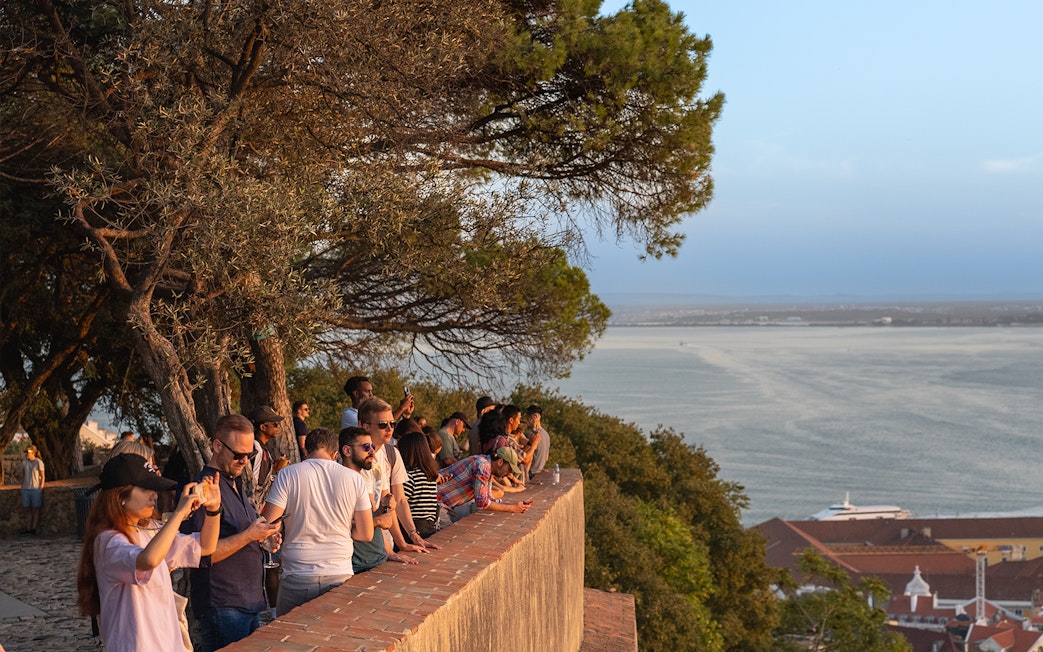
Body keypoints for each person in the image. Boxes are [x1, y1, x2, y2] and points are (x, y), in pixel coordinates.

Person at [77, 453, 222, 652]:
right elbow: (148, 560)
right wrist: (179, 514)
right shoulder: (108, 542)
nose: (154, 495)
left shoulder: (150, 529)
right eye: (146, 489)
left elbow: (205, 547)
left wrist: (214, 510)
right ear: (121, 496)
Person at [182, 415, 281, 651]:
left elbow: (241, 534)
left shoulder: (233, 482)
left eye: (249, 455)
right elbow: (199, 554)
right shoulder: (205, 489)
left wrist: (263, 540)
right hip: (223, 604)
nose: (244, 461)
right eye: (238, 455)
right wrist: (249, 535)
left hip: (249, 601)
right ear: (217, 446)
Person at [260, 428, 374, 616]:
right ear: (334, 453)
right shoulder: (355, 479)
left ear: (306, 451)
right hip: (339, 571)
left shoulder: (288, 474)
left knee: (289, 637)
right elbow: (366, 534)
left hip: (298, 572)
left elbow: (269, 523)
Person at [358, 400, 438, 552]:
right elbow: (371, 510)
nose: (389, 429)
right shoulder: (357, 458)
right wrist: (389, 551)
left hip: (384, 541)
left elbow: (398, 501)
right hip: (366, 545)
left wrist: (411, 537)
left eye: (392, 424)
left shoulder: (391, 453)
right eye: (382, 424)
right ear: (365, 426)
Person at [338, 427, 416, 572]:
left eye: (372, 446)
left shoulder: (362, 477)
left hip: (377, 561)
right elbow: (341, 524)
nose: (372, 452)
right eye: (366, 447)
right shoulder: (341, 481)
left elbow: (366, 517)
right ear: (347, 451)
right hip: (359, 567)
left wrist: (383, 509)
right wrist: (379, 520)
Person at [438, 447, 531, 518]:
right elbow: (482, 503)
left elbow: (488, 498)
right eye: (509, 469)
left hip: (440, 504)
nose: (509, 474)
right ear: (500, 462)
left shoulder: (487, 467)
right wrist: (512, 508)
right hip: (435, 502)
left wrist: (513, 505)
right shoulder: (483, 466)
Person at [398, 431, 442, 539]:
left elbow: (400, 501)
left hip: (412, 527)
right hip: (429, 526)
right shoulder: (430, 476)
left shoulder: (409, 476)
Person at [247, 405, 283, 508]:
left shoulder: (263, 448)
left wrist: (274, 470)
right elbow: (256, 483)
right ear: (263, 427)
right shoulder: (256, 448)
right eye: (275, 424)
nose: (278, 427)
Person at [21, 445, 45, 535]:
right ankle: (28, 528)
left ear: (33, 453)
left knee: (35, 509)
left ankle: (33, 528)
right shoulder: (24, 462)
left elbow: (42, 476)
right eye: (26, 452)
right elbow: (23, 476)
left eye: (28, 452)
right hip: (26, 488)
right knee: (27, 509)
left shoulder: (39, 462)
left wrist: (41, 487)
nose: (27, 454)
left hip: (35, 488)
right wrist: (22, 487)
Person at [525, 405, 551, 478]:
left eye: (527, 417)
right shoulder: (546, 435)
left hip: (531, 473)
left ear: (535, 417)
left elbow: (525, 457)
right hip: (539, 473)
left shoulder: (531, 435)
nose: (526, 420)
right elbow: (546, 457)